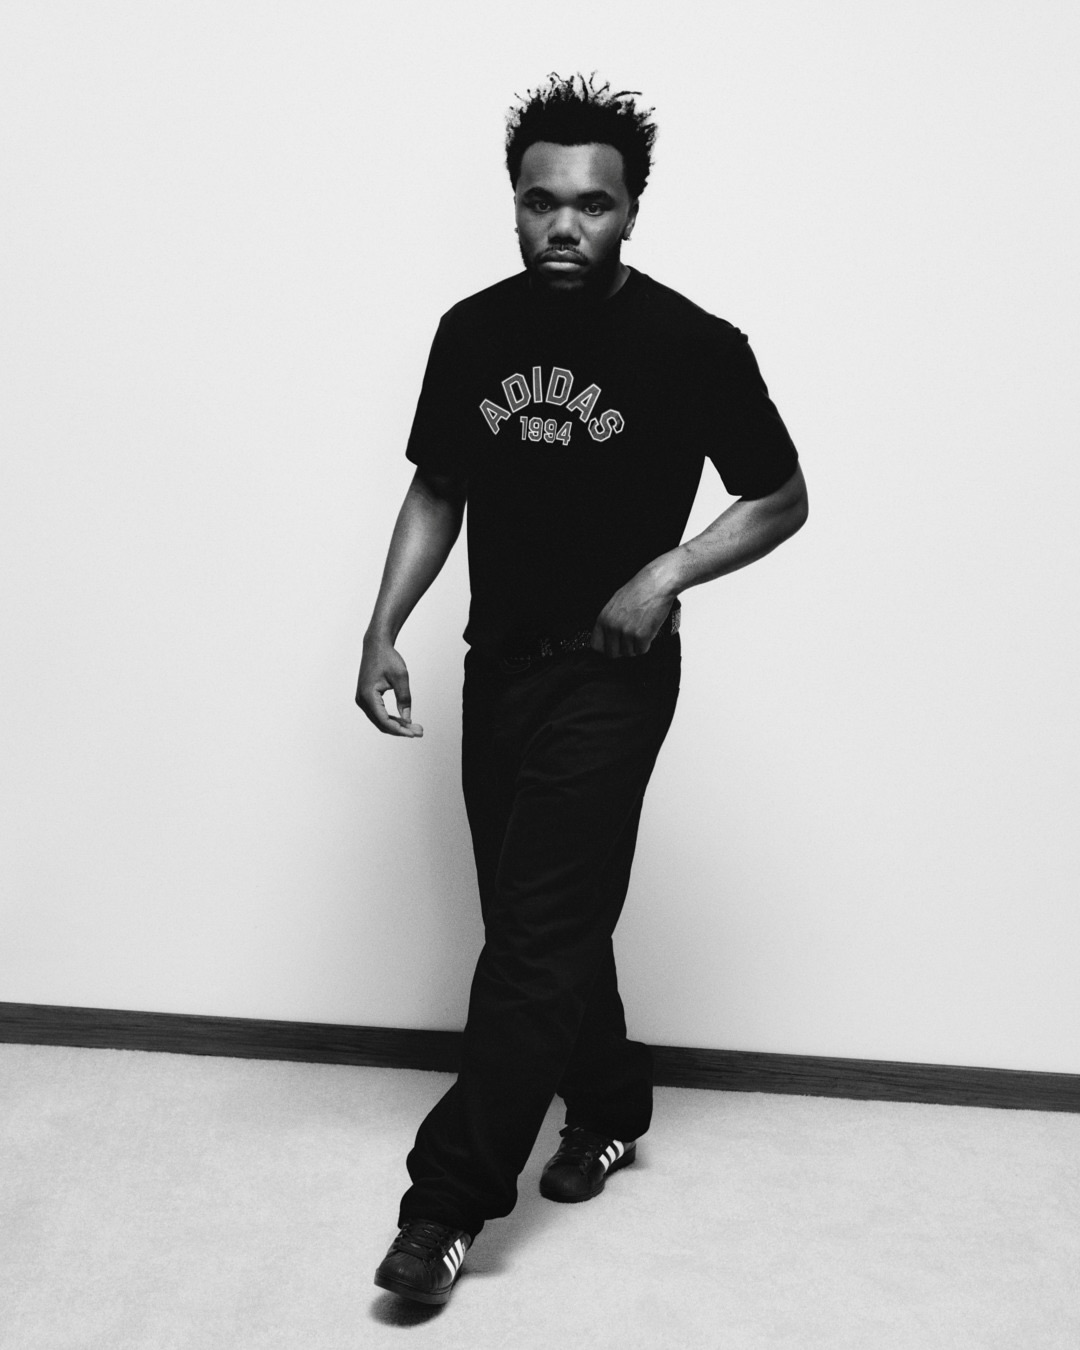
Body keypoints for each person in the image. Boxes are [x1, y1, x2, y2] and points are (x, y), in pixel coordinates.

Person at [357, 72, 808, 1306]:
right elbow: (439, 487)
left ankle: (444, 1208)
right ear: (514, 203)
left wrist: (666, 573)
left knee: (535, 935)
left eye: (592, 205)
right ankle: (608, 1102)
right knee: (541, 923)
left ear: (631, 211)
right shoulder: (472, 332)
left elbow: (780, 496)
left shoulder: (692, 345)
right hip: (495, 665)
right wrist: (383, 627)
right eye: (542, 202)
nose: (565, 225)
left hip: (612, 678)